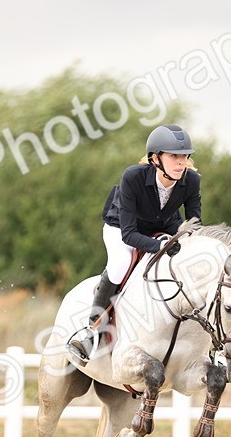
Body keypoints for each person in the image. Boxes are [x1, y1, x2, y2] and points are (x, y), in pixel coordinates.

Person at [66, 124, 202, 364]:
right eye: (174, 156)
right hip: (122, 226)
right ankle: (91, 331)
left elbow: (194, 223)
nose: (181, 162)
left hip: (164, 225)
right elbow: (129, 235)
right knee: (120, 264)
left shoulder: (191, 180)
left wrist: (191, 246)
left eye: (184, 156)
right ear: (155, 158)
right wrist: (160, 246)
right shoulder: (133, 177)